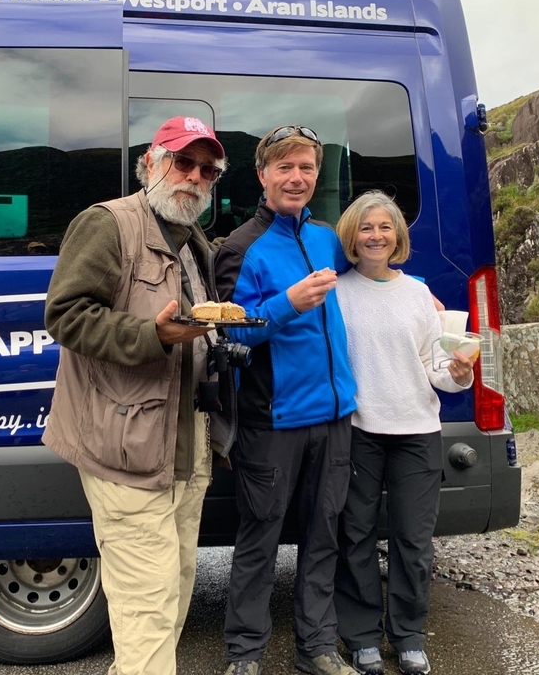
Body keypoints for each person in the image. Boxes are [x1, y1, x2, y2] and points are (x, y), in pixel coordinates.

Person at [41, 116, 232, 675]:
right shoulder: (108, 223)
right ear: (150, 163)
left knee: (172, 591)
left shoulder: (194, 241)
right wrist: (153, 335)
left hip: (185, 449)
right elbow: (66, 315)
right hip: (125, 447)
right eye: (182, 161)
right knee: (147, 608)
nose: (194, 176)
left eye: (207, 170)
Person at [214, 125, 360, 675]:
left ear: (316, 175)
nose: (296, 178)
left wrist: (419, 294)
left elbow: (373, 271)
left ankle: (317, 648)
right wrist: (287, 303)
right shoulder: (240, 247)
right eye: (284, 168)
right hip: (271, 421)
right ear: (263, 175)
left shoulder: (327, 238)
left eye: (306, 168)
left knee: (324, 537)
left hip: (335, 417)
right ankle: (244, 654)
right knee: (260, 541)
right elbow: (228, 334)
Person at [331, 191, 474, 675]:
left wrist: (458, 374)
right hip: (359, 430)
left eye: (385, 227)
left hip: (416, 430)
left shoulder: (417, 294)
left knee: (413, 540)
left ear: (398, 236)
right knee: (356, 535)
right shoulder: (337, 292)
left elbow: (437, 366)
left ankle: (409, 635)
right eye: (366, 227)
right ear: (352, 236)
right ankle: (362, 637)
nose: (376, 236)